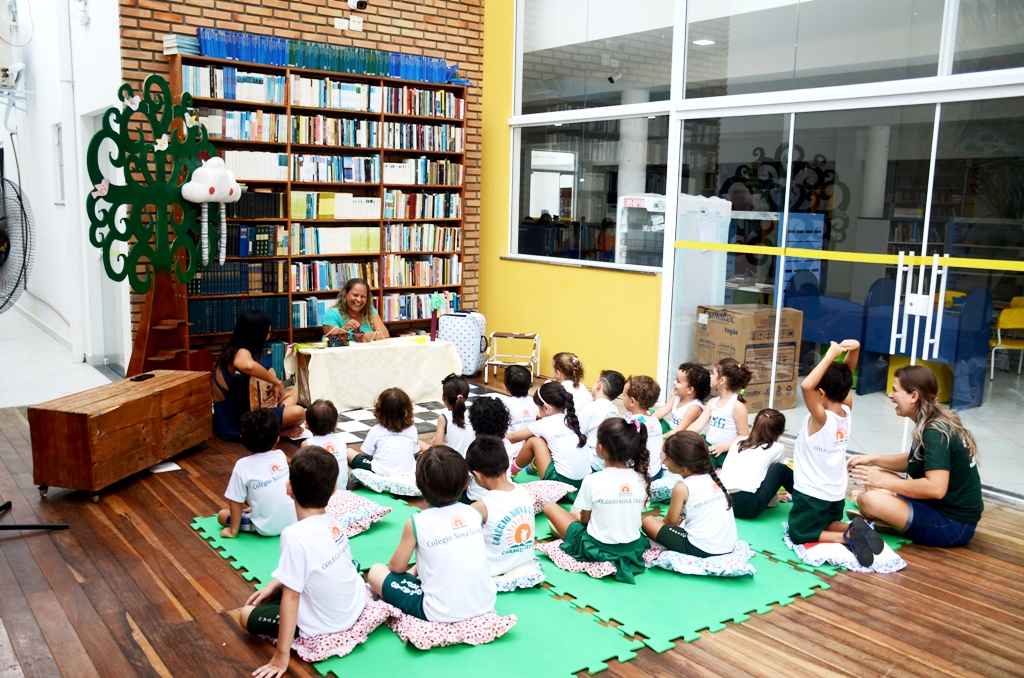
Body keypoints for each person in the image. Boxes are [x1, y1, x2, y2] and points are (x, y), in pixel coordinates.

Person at [235, 447, 366, 678]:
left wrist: (281, 655)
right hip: (354, 605)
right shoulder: (334, 520)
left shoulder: (293, 535)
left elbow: (292, 597)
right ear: (334, 489)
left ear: (289, 489)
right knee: (274, 591)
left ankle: (291, 638)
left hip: (325, 625)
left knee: (246, 615)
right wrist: (275, 584)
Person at [849, 364, 983, 547]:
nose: (890, 395)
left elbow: (936, 488)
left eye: (895, 390)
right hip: (938, 508)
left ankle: (878, 513)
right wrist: (873, 459)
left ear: (914, 396)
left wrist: (884, 482)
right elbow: (915, 459)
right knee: (872, 481)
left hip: (953, 525)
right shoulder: (932, 420)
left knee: (869, 500)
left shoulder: (934, 432)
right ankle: (886, 510)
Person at [366, 446, 496, 622]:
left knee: (375, 572)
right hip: (485, 604)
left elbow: (396, 568)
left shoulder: (416, 523)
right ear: (466, 483)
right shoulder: (473, 513)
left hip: (438, 612)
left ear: (419, 485)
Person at [790, 339, 882, 567]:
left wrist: (830, 354)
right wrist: (857, 349)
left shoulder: (820, 418)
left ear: (821, 393)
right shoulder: (846, 410)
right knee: (827, 523)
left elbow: (806, 386)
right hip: (835, 494)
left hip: (812, 494)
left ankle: (847, 537)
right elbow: (845, 375)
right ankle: (857, 528)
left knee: (799, 533)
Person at [542, 418, 649, 583]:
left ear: (600, 448)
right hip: (632, 548)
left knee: (549, 507)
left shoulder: (593, 480)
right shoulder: (641, 479)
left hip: (597, 548)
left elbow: (584, 520)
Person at [212, 310, 305, 441]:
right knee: (299, 413)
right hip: (238, 423)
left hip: (249, 409)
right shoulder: (240, 352)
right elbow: (247, 366)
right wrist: (276, 381)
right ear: (256, 333)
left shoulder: (234, 348)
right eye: (267, 332)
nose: (268, 336)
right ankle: (276, 431)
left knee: (291, 392)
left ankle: (274, 428)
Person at [642, 431, 737, 558]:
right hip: (727, 545)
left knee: (647, 521)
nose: (664, 461)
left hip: (701, 548)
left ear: (683, 467)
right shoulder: (716, 476)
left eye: (667, 457)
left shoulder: (681, 487)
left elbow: (670, 522)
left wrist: (659, 522)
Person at [466, 436, 540, 581]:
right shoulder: (525, 492)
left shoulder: (481, 506)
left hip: (493, 570)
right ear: (506, 465)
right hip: (525, 565)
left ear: (477, 475)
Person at [218, 409, 296, 538]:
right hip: (294, 520)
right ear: (277, 438)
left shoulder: (242, 465)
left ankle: (251, 517)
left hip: (265, 527)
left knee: (222, 516)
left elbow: (235, 501)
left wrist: (233, 531)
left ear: (243, 439)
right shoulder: (281, 455)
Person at [509, 381, 589, 489]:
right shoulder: (571, 420)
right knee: (547, 441)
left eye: (538, 409)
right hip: (583, 484)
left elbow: (513, 438)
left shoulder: (545, 424)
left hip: (560, 486)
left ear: (547, 408)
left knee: (534, 441)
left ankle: (511, 472)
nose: (537, 413)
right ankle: (532, 468)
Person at [720, 408, 793, 519]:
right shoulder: (777, 448)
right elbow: (774, 477)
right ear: (780, 432)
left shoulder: (738, 442)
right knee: (780, 469)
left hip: (723, 502)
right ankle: (805, 500)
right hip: (746, 506)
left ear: (754, 425)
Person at [689, 358, 751, 467]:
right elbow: (698, 424)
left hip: (726, 455)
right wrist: (682, 435)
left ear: (722, 380)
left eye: (713, 373)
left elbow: (744, 436)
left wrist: (725, 446)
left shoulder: (737, 406)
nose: (710, 376)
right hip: (710, 449)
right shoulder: (712, 402)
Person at [347, 388, 418, 480]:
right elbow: (415, 453)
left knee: (348, 452)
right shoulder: (412, 429)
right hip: (408, 474)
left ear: (379, 411)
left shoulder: (376, 430)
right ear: (407, 411)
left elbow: (365, 454)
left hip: (379, 474)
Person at [466, 396, 515, 501]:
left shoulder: (473, 447)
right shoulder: (507, 444)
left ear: (474, 423)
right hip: (505, 494)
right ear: (504, 421)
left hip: (476, 497)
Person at [620, 375, 664, 478]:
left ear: (632, 402)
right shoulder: (654, 419)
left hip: (638, 473)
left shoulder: (630, 423)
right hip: (656, 471)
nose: (622, 397)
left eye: (624, 395)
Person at [322, 278, 389, 343]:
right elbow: (329, 340)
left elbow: (385, 335)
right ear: (345, 294)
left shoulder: (370, 311)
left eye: (363, 297)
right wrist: (344, 330)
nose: (359, 300)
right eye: (355, 295)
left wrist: (367, 337)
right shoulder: (332, 314)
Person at [302, 399, 348, 493]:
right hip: (342, 491)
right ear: (336, 424)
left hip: (319, 497)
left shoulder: (307, 444)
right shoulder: (341, 441)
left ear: (306, 424)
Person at [653, 363, 711, 434]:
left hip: (682, 437)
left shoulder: (694, 408)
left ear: (690, 389)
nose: (674, 382)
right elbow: (662, 411)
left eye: (678, 381)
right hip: (671, 430)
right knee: (651, 413)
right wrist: (647, 421)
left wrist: (663, 437)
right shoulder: (676, 397)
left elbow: (680, 429)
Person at [585, 370, 625, 471]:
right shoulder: (615, 410)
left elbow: (577, 432)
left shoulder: (590, 408)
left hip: (591, 461)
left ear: (599, 385)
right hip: (607, 461)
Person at [430, 374, 474, 456]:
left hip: (451, 462)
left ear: (444, 398)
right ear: (466, 397)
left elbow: (437, 445)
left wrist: (435, 441)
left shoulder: (443, 417)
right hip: (469, 462)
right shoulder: (472, 414)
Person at [498, 365, 538, 456]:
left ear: (506, 386)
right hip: (530, 450)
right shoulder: (535, 402)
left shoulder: (503, 404)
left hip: (509, 451)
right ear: (529, 385)